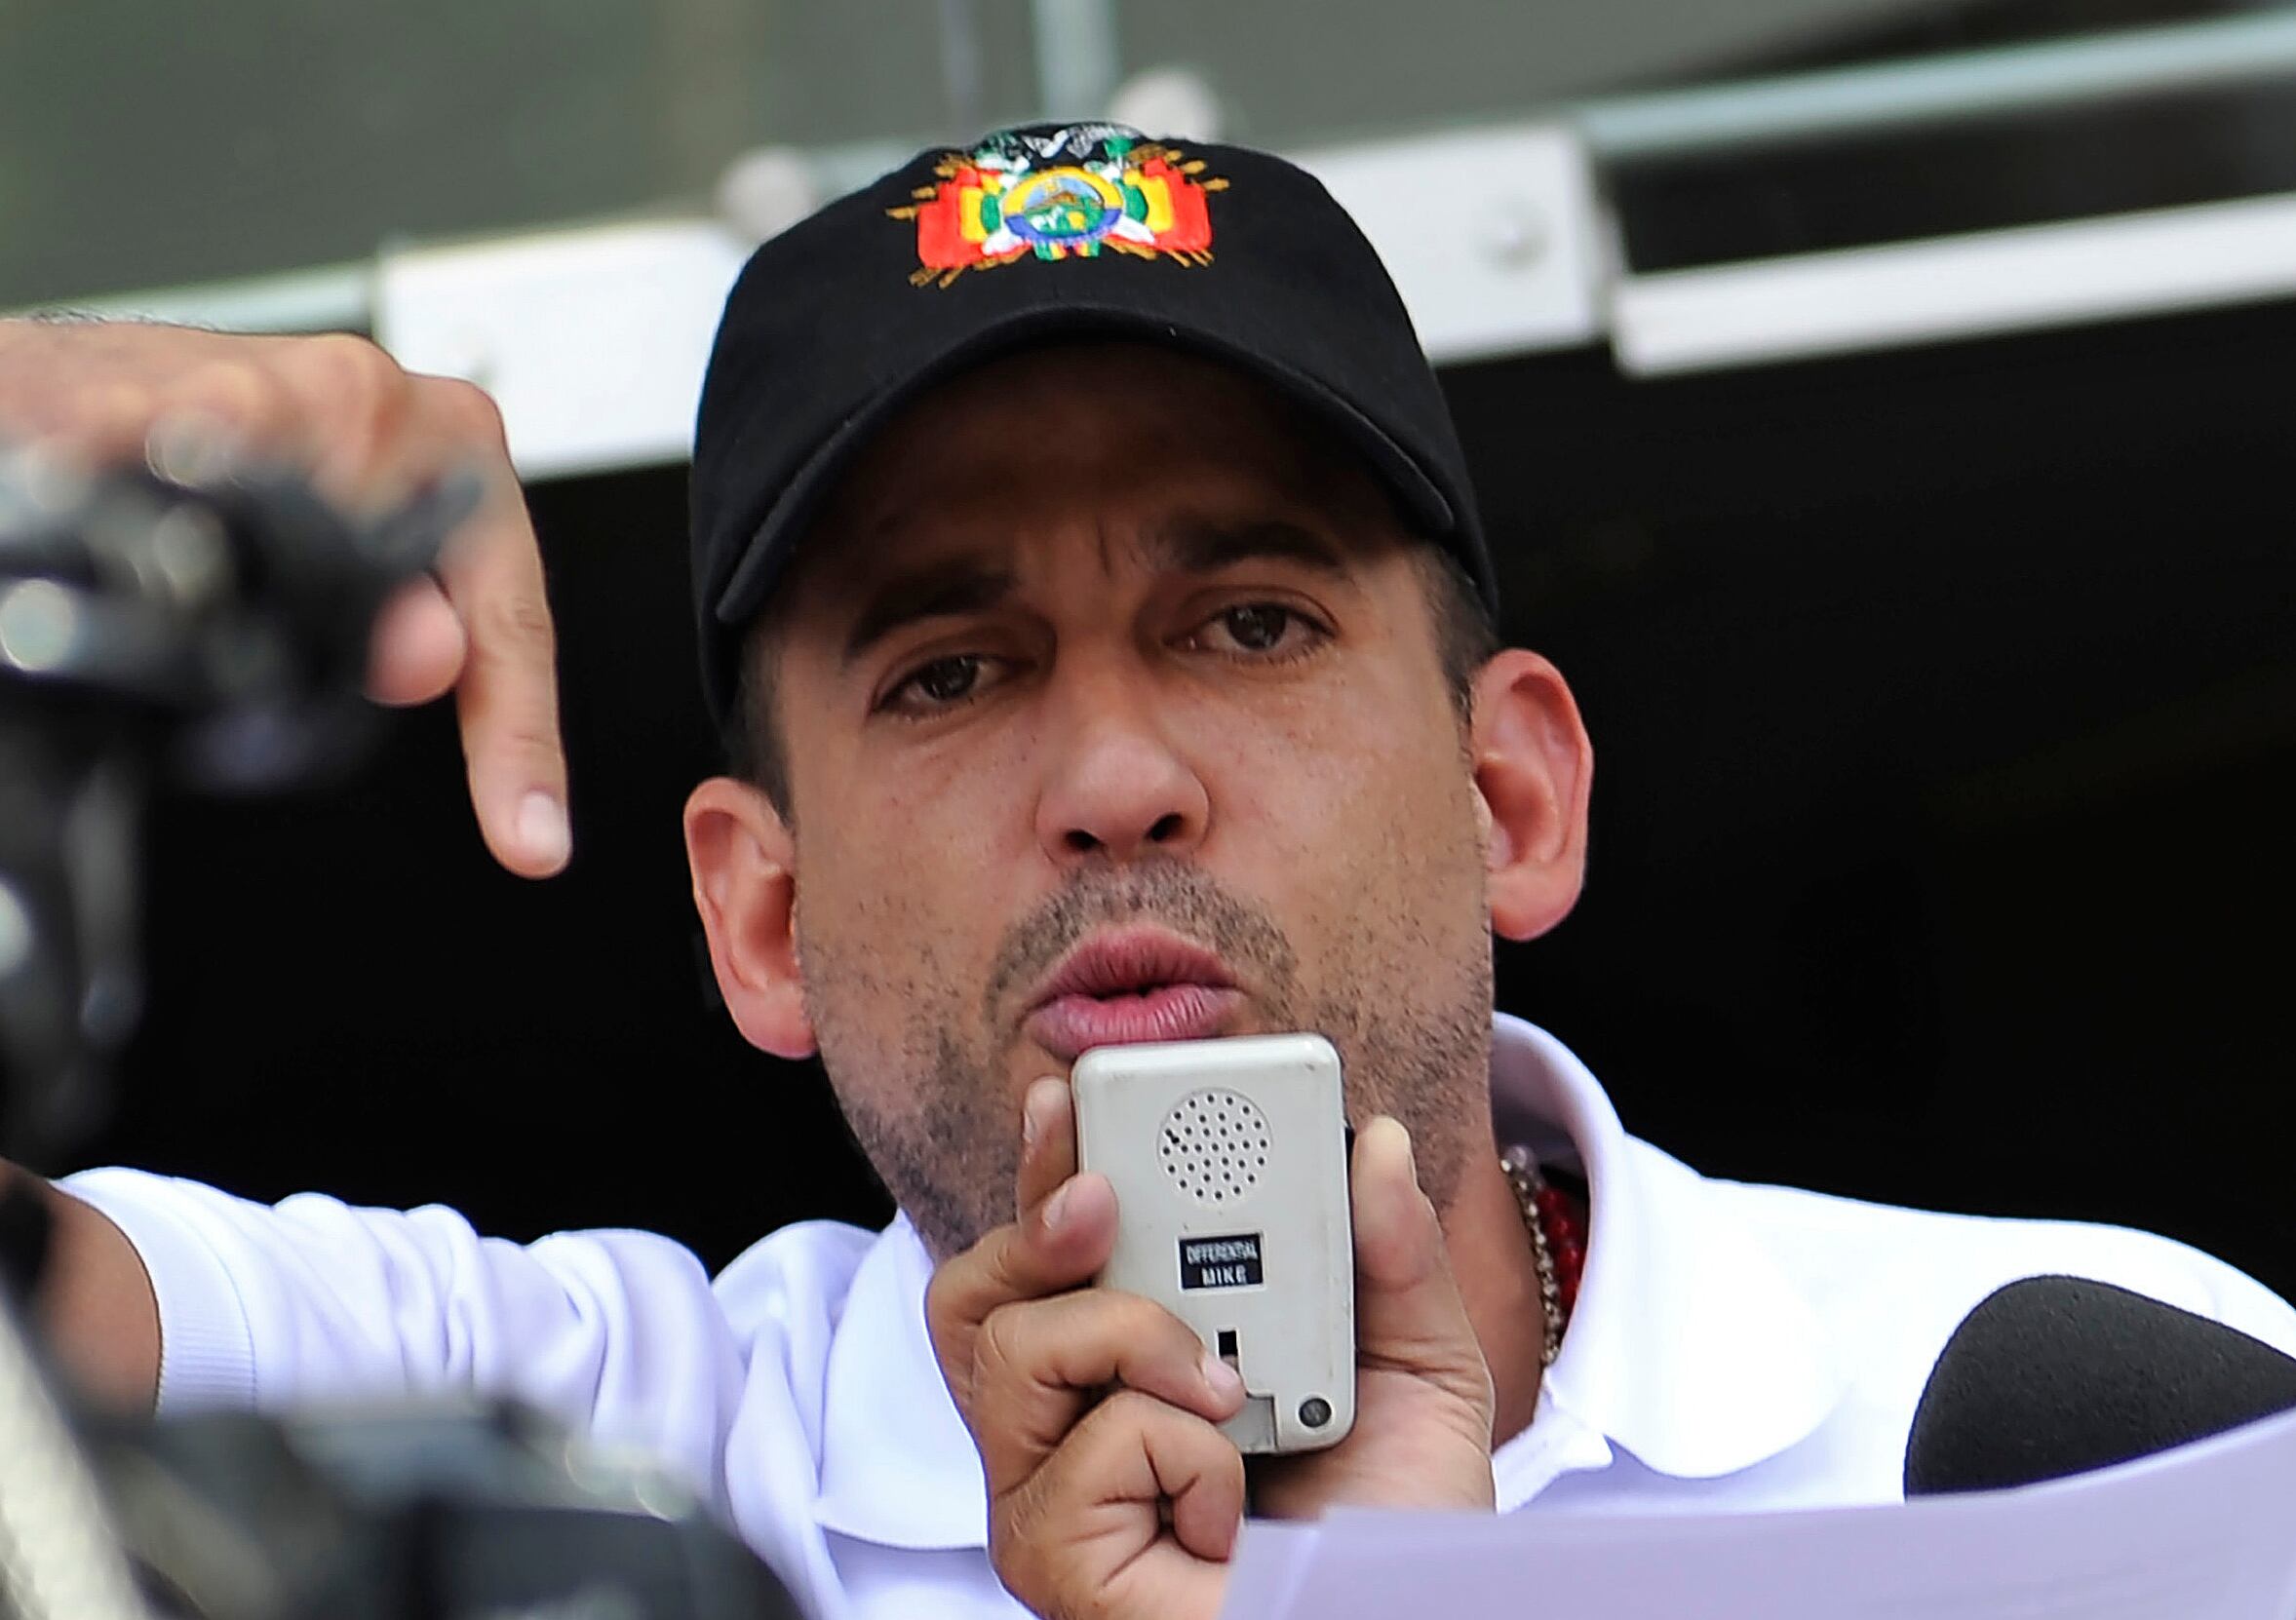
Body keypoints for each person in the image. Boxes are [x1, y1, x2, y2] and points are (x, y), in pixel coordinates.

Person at [1, 123, 2290, 1620]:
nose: (1111, 775)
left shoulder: (2037, 1429)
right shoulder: (556, 1470)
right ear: (758, 918)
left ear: (1514, 800)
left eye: (1248, 623)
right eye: (948, 669)